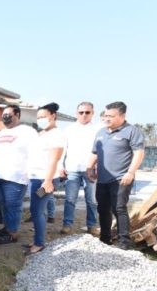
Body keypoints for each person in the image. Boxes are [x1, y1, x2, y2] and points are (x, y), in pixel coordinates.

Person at [87, 102, 145, 250]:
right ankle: (105, 238)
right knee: (102, 208)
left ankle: (123, 241)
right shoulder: (101, 132)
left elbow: (139, 153)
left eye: (111, 116)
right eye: (106, 115)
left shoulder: (131, 131)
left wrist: (130, 172)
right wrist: (89, 168)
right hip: (102, 179)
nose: (107, 118)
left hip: (121, 178)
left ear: (122, 116)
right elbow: (95, 153)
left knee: (119, 208)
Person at [0, 105, 37, 244]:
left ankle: (13, 234)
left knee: (13, 206)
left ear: (17, 115)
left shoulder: (28, 131)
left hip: (15, 177)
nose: (5, 117)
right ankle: (7, 228)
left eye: (8, 114)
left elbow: (35, 152)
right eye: (3, 115)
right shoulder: (1, 133)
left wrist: (31, 171)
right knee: (3, 205)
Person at [26, 103, 66, 254]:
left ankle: (39, 243)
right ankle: (38, 238)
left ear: (53, 116)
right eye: (38, 117)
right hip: (36, 177)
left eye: (43, 117)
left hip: (45, 179)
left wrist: (48, 181)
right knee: (35, 209)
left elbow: (54, 160)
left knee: (37, 210)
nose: (40, 120)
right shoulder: (42, 133)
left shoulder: (57, 135)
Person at [60, 102, 101, 236]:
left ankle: (92, 225)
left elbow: (100, 151)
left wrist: (98, 168)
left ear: (92, 113)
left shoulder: (98, 130)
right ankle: (67, 224)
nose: (84, 115)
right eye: (81, 112)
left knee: (92, 200)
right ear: (76, 113)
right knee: (70, 199)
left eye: (87, 112)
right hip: (72, 169)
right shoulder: (68, 129)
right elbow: (63, 149)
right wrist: (60, 166)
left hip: (90, 169)